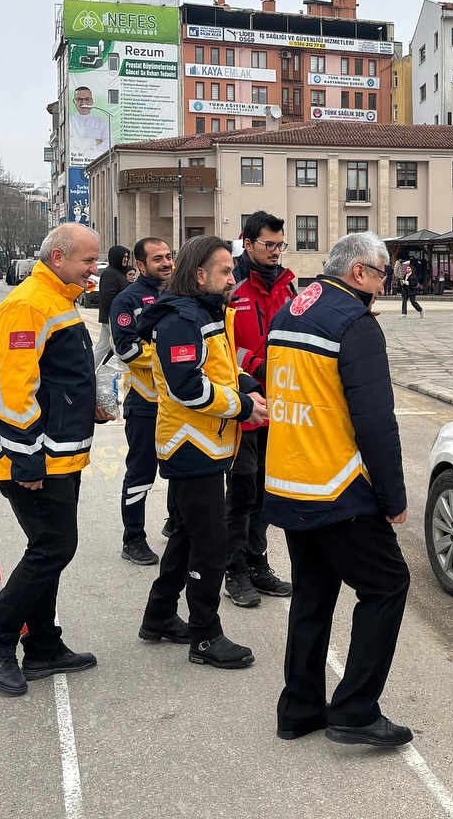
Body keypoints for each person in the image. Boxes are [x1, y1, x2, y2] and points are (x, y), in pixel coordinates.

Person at [264, 231, 413, 747]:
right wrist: (392, 497)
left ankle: (299, 709)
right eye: (383, 276)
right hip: (337, 484)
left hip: (291, 479)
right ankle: (354, 709)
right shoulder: (355, 323)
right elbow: (375, 420)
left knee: (313, 593)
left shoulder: (292, 311)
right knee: (387, 585)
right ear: (359, 273)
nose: (385, 288)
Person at [0, 223, 108, 697]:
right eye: (88, 262)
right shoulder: (28, 303)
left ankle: (45, 645)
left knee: (47, 549)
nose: (95, 271)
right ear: (58, 258)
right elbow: (13, 390)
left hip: (60, 456)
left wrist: (84, 402)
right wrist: (26, 461)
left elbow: (53, 377)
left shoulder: (56, 298)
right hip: (36, 461)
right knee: (53, 548)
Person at [138, 236, 266, 669]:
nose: (234, 278)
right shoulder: (180, 320)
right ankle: (205, 636)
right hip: (190, 447)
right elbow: (187, 386)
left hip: (207, 445)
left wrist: (246, 384)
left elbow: (218, 369)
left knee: (188, 537)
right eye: (226, 271)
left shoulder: (205, 312)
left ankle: (158, 616)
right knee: (210, 545)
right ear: (199, 275)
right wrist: (243, 406)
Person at [223, 212, 296, 607]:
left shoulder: (287, 286)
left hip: (278, 407)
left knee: (267, 493)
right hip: (244, 408)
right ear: (247, 243)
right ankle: (233, 570)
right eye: (269, 244)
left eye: (280, 244)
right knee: (241, 493)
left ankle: (257, 563)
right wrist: (255, 364)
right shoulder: (229, 286)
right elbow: (218, 347)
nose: (275, 251)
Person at [110, 237, 178, 566]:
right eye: (158, 259)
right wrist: (170, 356)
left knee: (182, 467)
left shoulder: (182, 295)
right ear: (140, 265)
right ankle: (133, 537)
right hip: (146, 403)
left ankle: (175, 523)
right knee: (140, 473)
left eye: (169, 257)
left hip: (180, 403)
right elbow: (126, 349)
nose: (166, 263)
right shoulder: (128, 300)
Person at [94, 244, 131, 367]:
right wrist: (119, 313)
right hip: (114, 317)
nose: (125, 259)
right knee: (121, 345)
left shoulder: (119, 273)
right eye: (123, 257)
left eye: (127, 257)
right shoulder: (110, 273)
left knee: (103, 346)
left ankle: (89, 371)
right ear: (116, 257)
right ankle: (114, 372)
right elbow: (108, 297)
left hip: (113, 316)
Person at [69, 86, 112, 162]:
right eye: (79, 99)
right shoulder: (69, 122)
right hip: (75, 162)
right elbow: (70, 144)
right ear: (74, 102)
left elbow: (109, 144)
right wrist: (94, 142)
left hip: (96, 164)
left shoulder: (101, 123)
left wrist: (87, 153)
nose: (83, 103)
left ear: (92, 101)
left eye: (87, 99)